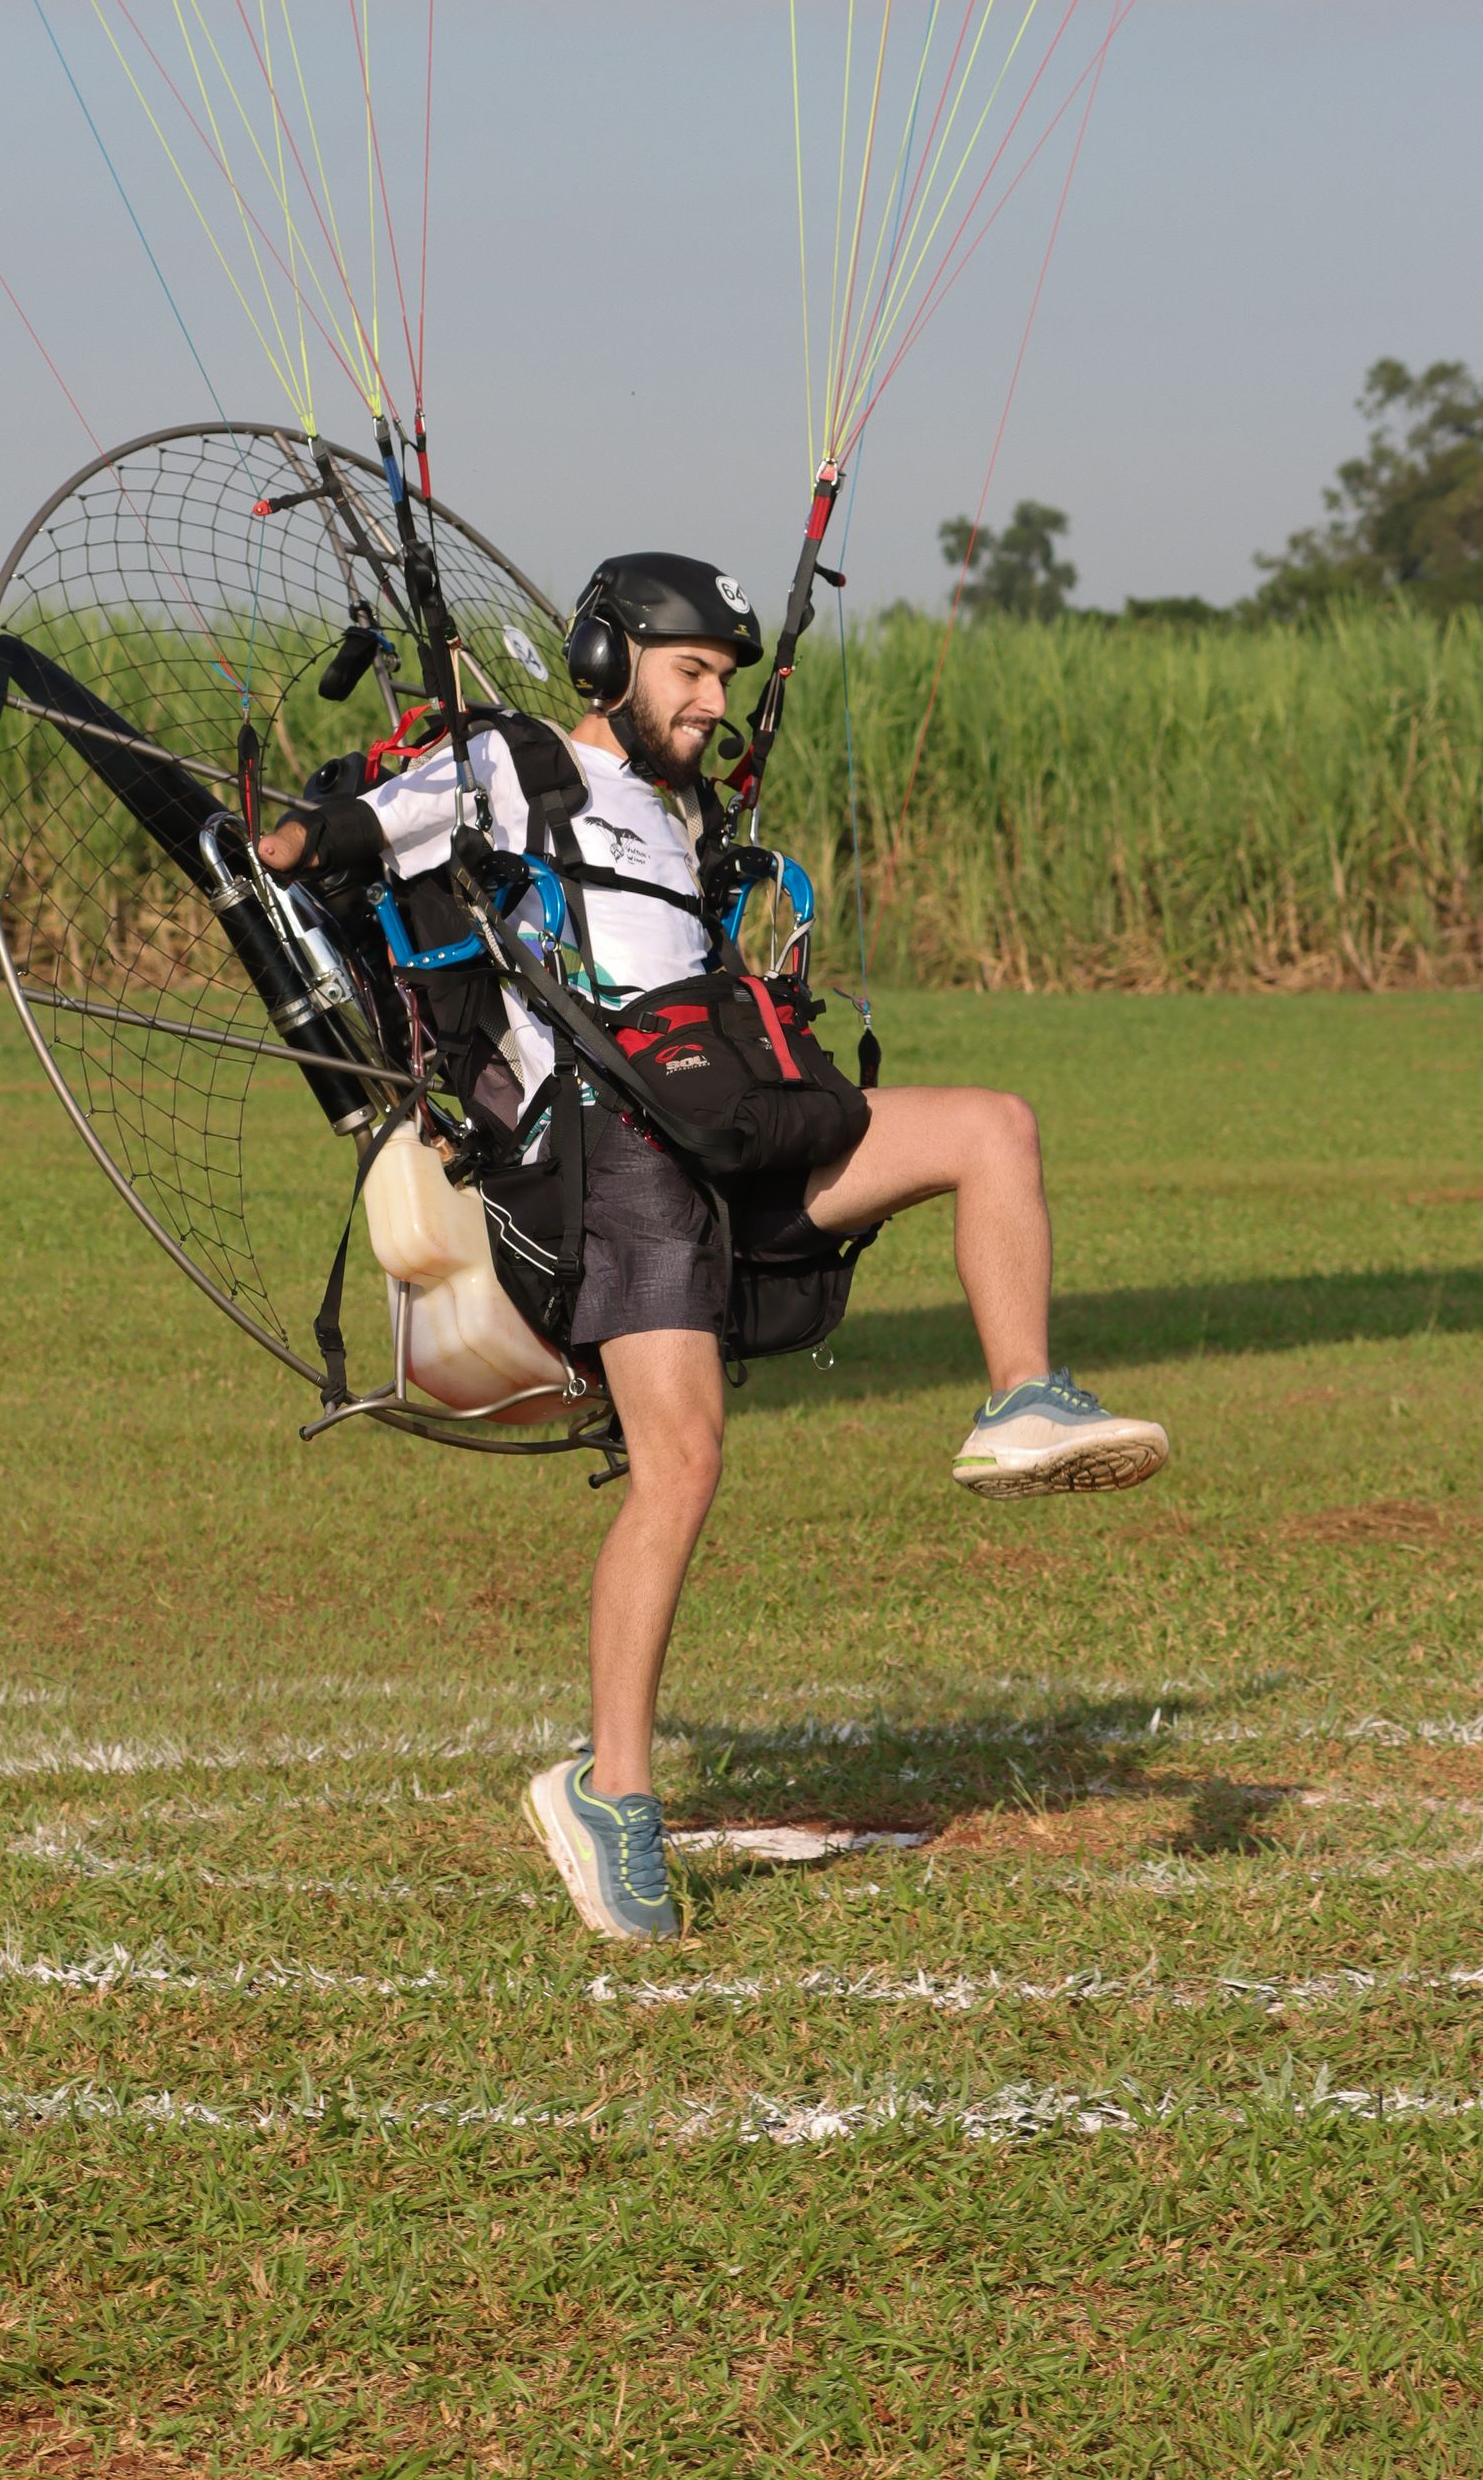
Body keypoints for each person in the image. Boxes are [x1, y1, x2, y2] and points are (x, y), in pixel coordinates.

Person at [261, 553, 1168, 1945]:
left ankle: (1021, 1403)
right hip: (614, 1155)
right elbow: (323, 850)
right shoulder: (508, 769)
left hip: (730, 1122)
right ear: (607, 663)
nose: (711, 702)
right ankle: (608, 1794)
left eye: (725, 680)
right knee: (679, 1466)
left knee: (990, 1127)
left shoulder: (672, 802)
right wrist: (301, 837)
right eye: (690, 674)